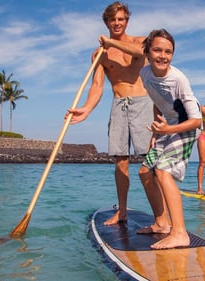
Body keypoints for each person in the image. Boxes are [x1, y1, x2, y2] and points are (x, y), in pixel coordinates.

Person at [66, 2, 152, 225]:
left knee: (150, 161)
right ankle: (122, 211)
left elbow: (139, 53)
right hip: (118, 104)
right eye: (112, 20)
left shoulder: (140, 41)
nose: (117, 23)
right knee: (120, 162)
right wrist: (86, 109)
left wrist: (111, 42)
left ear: (127, 21)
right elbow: (97, 86)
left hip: (143, 104)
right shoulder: (100, 54)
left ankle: (160, 217)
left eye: (121, 19)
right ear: (106, 22)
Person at [137, 29, 202, 249]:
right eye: (157, 50)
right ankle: (162, 223)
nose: (163, 56)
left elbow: (197, 120)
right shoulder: (145, 74)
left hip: (186, 128)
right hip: (167, 128)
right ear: (147, 51)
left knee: (163, 171)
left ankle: (180, 233)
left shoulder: (179, 79)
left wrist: (167, 130)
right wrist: (158, 130)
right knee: (145, 171)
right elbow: (157, 101)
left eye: (168, 51)